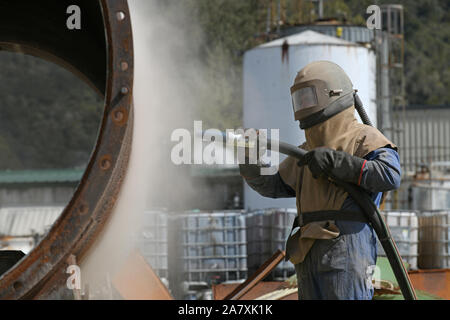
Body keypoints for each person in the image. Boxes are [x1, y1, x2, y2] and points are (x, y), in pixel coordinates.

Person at [239, 61, 401, 300]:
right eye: (300, 99)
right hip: (307, 252)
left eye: (308, 97)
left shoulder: (364, 138)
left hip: (346, 251)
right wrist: (252, 160)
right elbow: (273, 185)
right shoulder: (306, 152)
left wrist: (337, 163)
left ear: (332, 94)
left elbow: (389, 174)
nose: (304, 105)